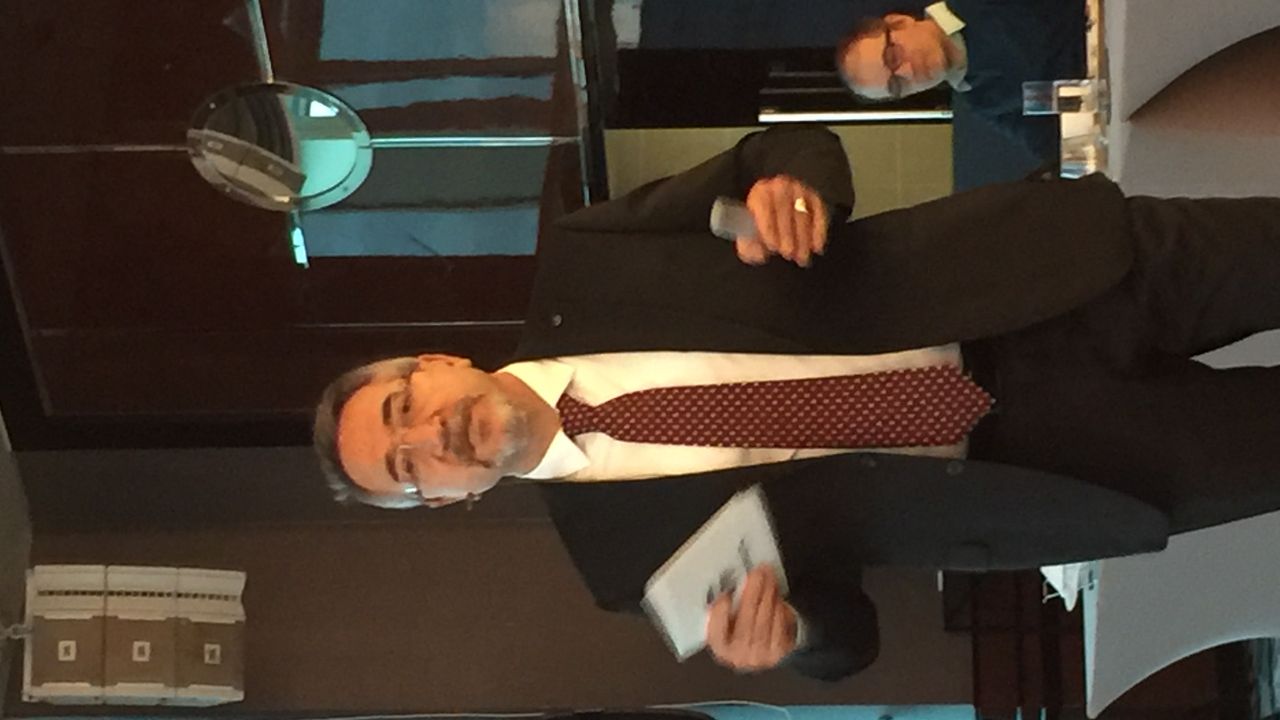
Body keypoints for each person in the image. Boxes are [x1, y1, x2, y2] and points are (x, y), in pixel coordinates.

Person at [314, 124, 1280, 682]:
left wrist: (796, 188)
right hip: (1046, 470)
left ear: (435, 362)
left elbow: (777, 152)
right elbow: (848, 633)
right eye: (409, 469)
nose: (431, 435)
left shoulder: (590, 258)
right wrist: (794, 639)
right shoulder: (623, 562)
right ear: (445, 500)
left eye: (403, 406)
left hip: (1045, 280)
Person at [835, 0, 1085, 162]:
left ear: (900, 22)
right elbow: (1062, 147)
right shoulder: (985, 101)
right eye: (897, 85)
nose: (909, 73)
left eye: (893, 58)